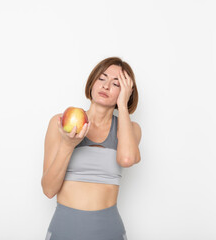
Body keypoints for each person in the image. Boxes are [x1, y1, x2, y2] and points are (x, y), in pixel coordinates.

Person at [41, 57, 142, 240]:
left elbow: (126, 159)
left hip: (109, 231)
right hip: (64, 229)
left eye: (116, 83)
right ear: (92, 82)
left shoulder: (130, 129)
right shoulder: (61, 123)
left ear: (127, 92)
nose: (105, 86)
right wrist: (68, 145)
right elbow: (48, 190)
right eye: (102, 79)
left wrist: (123, 107)